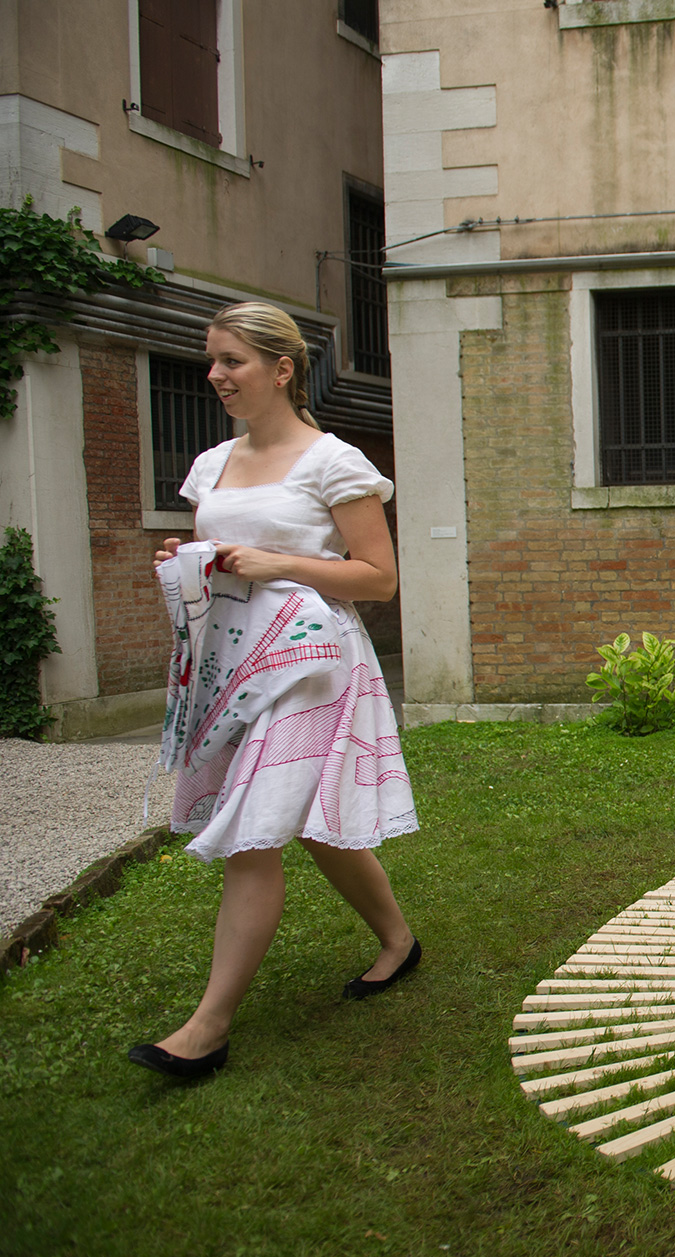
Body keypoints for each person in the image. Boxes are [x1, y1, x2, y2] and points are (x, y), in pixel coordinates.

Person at [130, 302, 420, 1080]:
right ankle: (399, 941)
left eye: (232, 361)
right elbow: (223, 559)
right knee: (313, 825)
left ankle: (206, 1029)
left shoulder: (334, 462)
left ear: (282, 369)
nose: (216, 375)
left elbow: (379, 578)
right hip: (238, 659)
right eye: (213, 361)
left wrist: (275, 563)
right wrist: (189, 560)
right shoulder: (212, 465)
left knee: (255, 829)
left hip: (312, 664)